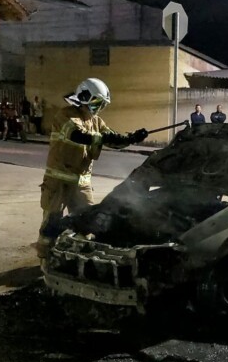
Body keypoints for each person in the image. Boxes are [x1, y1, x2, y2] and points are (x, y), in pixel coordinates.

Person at [36, 78, 148, 259]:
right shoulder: (66, 115)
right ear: (84, 97)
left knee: (89, 222)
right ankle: (45, 257)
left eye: (101, 105)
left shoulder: (97, 121)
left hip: (81, 182)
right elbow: (78, 135)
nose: (98, 109)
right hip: (58, 180)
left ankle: (77, 256)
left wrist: (131, 138)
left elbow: (111, 138)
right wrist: (103, 138)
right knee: (52, 222)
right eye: (96, 103)